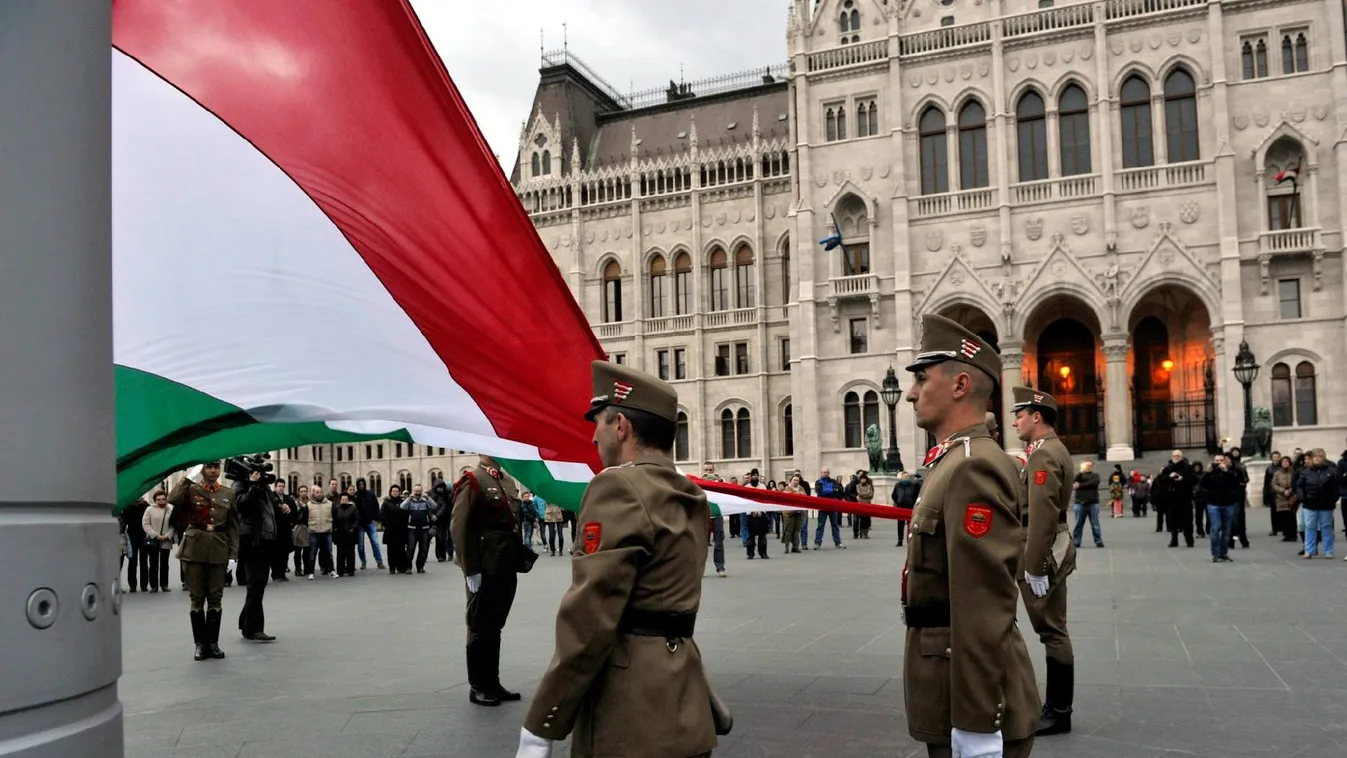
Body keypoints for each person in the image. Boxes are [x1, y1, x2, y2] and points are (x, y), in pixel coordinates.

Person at [516, 360, 717, 758]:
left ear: (621, 426)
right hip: (686, 700)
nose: (593, 437)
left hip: (631, 713)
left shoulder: (617, 486)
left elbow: (589, 618)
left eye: (599, 423)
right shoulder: (689, 491)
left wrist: (543, 724)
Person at [900, 314, 1039, 758]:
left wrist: (978, 725)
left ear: (960, 385)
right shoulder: (952, 461)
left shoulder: (972, 465)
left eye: (922, 378)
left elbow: (982, 603)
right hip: (948, 683)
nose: (910, 392)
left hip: (969, 697)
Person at [1011, 387, 1078, 737]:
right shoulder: (1049, 449)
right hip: (1051, 544)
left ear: (1036, 416)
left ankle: (1057, 711)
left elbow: (1041, 516)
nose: (1015, 421)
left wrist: (1033, 566)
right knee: (1054, 628)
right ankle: (1056, 708)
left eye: (1019, 415)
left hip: (1043, 548)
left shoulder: (1044, 455)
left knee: (1052, 630)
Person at [452, 455, 525, 706]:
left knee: (495, 623)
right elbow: (460, 525)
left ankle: (492, 682)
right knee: (479, 624)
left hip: (504, 562)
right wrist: (469, 567)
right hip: (483, 564)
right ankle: (478, 685)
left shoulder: (507, 480)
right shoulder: (472, 479)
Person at [167, 460, 240, 661]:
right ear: (202, 470)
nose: (213, 470)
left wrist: (233, 554)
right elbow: (172, 499)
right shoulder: (191, 489)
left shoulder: (228, 493)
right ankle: (199, 644)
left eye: (216, 467)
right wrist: (189, 477)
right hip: (194, 548)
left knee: (216, 598)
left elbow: (233, 527)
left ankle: (213, 643)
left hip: (218, 548)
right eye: (209, 467)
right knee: (197, 598)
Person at [234, 466, 279, 642]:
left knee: (258, 583)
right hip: (251, 541)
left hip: (265, 541)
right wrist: (252, 485)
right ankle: (254, 628)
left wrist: (281, 508)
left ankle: (246, 623)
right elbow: (242, 505)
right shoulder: (241, 484)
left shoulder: (263, 487)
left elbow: (269, 508)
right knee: (256, 583)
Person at [1295, 448, 1339, 559]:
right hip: (1310, 504)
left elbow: (1337, 487)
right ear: (1312, 458)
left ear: (1324, 458)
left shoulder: (1331, 471)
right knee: (1309, 527)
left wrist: (1333, 499)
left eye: (1320, 456)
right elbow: (1299, 486)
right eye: (1315, 456)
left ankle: (1328, 550)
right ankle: (1309, 550)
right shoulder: (1305, 472)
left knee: (1326, 527)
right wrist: (1303, 498)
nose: (1317, 458)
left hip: (1326, 504)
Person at [1200, 454, 1243, 563]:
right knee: (1215, 528)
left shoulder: (1230, 473)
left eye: (1221, 460)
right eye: (1217, 460)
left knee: (1227, 530)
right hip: (1214, 504)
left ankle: (1224, 553)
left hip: (1228, 504)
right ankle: (1215, 553)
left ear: (1225, 461)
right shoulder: (1210, 474)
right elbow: (1202, 484)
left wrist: (1226, 471)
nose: (1219, 463)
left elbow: (1236, 482)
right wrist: (1207, 472)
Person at [1157, 451, 1195, 549]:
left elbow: (1193, 480)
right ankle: (1174, 540)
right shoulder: (1167, 468)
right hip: (1172, 498)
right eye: (1174, 456)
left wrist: (1182, 478)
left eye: (1178, 456)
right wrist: (1169, 477)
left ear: (1181, 457)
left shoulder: (1187, 467)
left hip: (1185, 497)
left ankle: (1189, 540)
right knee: (1172, 520)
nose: (1176, 457)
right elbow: (1160, 480)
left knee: (1188, 520)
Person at [140, 491, 176, 593]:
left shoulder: (170, 509)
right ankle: (154, 586)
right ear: (155, 500)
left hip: (166, 539)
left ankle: (164, 585)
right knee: (153, 562)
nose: (161, 501)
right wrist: (155, 535)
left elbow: (173, 524)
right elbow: (145, 524)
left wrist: (168, 535)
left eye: (163, 499)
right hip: (153, 540)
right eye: (159, 499)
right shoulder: (149, 509)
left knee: (164, 563)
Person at [403, 483, 435, 573]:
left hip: (424, 528)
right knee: (410, 548)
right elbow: (402, 506)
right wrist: (409, 498)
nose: (418, 493)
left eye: (419, 491)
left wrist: (428, 498)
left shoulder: (425, 501)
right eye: (416, 491)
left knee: (423, 548)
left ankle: (420, 566)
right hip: (412, 528)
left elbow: (434, 506)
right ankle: (408, 567)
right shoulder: (410, 501)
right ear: (413, 491)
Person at [354, 477, 384, 570]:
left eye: (362, 484)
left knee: (375, 543)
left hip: (370, 522)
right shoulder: (355, 496)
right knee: (361, 544)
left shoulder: (370, 494)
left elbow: (376, 506)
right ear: (357, 485)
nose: (361, 486)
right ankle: (363, 562)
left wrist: (376, 518)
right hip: (360, 524)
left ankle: (379, 562)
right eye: (359, 484)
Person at [1071, 461, 1103, 548]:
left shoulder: (1095, 475)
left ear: (1092, 467)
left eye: (1089, 465)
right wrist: (1080, 473)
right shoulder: (1079, 475)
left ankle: (1098, 541)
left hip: (1092, 502)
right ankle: (1076, 541)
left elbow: (1093, 483)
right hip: (1080, 502)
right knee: (1078, 523)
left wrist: (1080, 485)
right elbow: (1073, 481)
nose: (1087, 467)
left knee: (1095, 523)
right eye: (1086, 465)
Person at [380, 485, 410, 574]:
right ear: (390, 492)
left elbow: (406, 514)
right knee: (391, 549)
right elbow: (382, 515)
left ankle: (401, 566)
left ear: (399, 492)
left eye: (397, 491)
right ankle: (392, 567)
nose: (395, 493)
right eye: (393, 491)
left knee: (401, 549)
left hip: (401, 529)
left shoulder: (403, 502)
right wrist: (387, 524)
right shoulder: (386, 502)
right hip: (390, 529)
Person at [332, 492, 361, 576]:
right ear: (340, 500)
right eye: (343, 499)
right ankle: (340, 570)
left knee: (350, 552)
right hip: (340, 533)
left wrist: (352, 528)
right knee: (340, 553)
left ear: (348, 500)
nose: (344, 501)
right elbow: (335, 520)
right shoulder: (337, 509)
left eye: (346, 499)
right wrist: (335, 529)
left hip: (350, 533)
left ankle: (350, 570)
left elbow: (357, 519)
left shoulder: (353, 508)